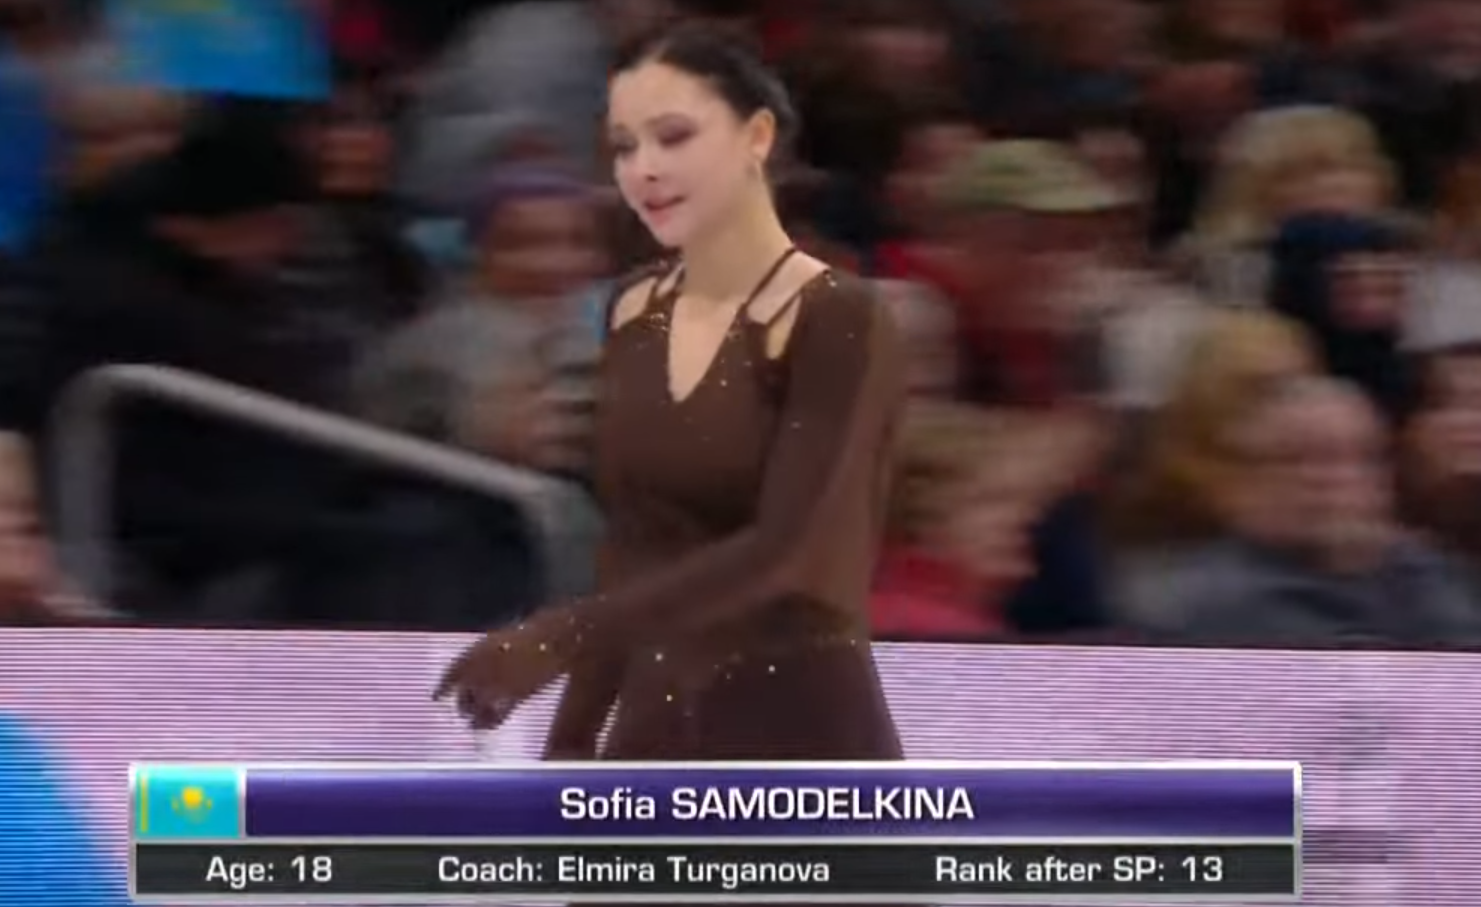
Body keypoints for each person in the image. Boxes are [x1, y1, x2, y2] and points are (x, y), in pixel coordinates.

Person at [436, 22, 906, 762]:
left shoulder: (838, 316)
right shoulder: (633, 307)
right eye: (625, 146)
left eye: (675, 137)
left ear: (757, 141)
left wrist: (560, 637)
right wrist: (571, 739)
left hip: (799, 731)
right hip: (653, 729)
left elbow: (789, 547)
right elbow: (636, 543)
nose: (646, 169)